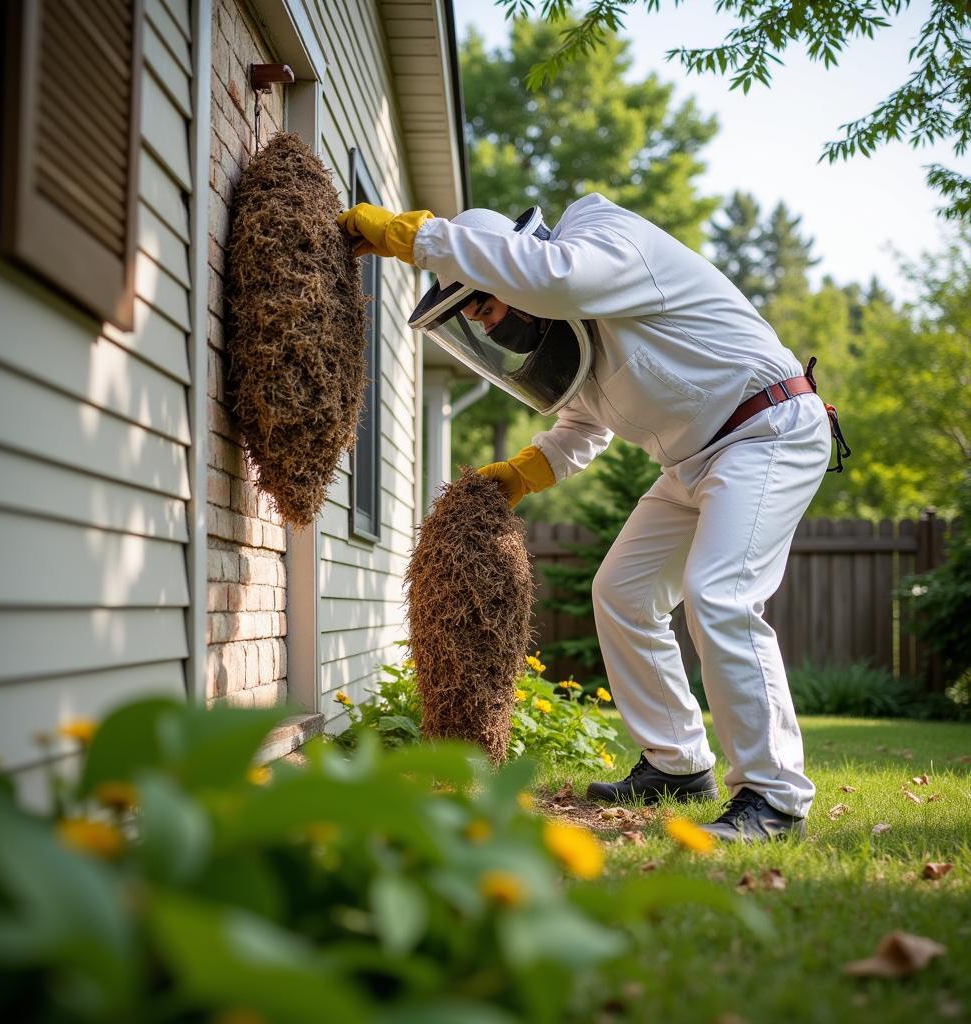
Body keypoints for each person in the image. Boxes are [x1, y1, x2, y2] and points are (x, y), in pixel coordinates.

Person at [337, 194, 849, 842]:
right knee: (622, 593)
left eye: (486, 305)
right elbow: (584, 428)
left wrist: (417, 239)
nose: (489, 327)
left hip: (765, 429)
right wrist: (523, 471)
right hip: (693, 461)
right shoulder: (581, 334)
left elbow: (557, 277)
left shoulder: (604, 239)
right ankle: (678, 765)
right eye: (475, 316)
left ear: (515, 271)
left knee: (719, 593)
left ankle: (774, 799)